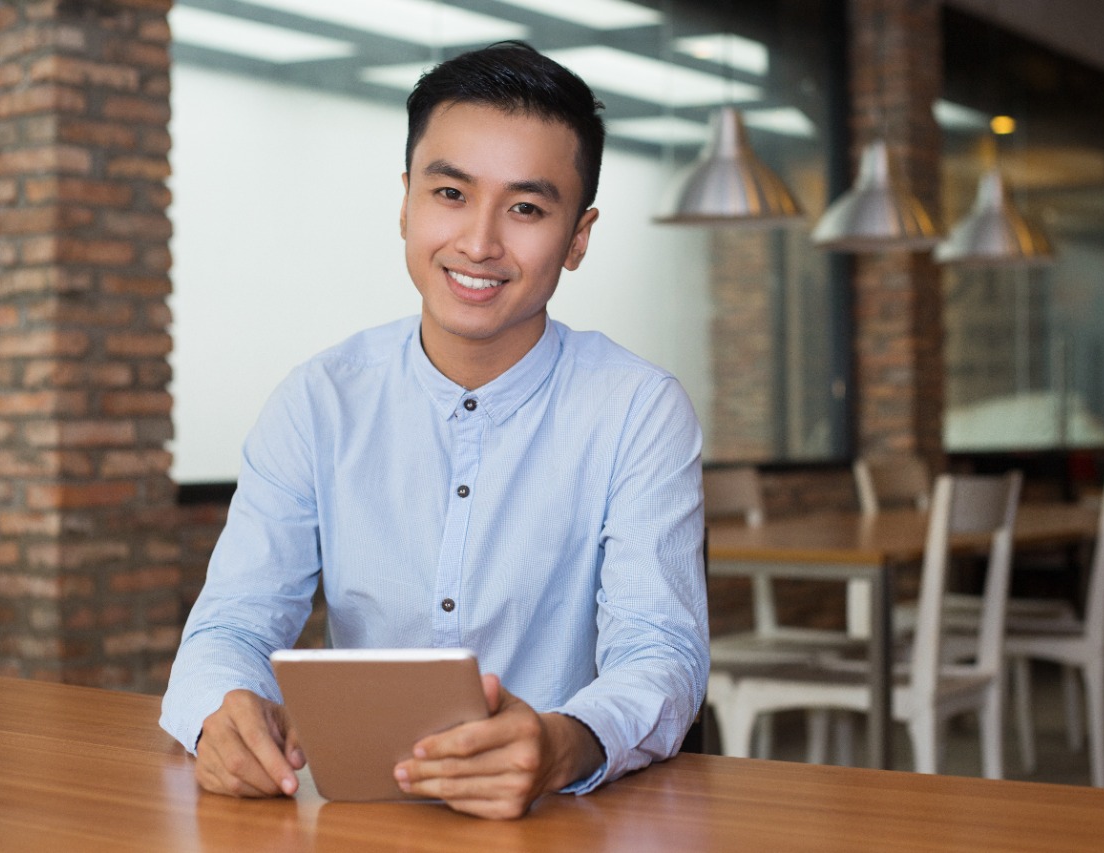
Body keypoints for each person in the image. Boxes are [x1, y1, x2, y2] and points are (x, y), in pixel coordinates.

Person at [159, 41, 708, 820]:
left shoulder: (638, 410)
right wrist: (223, 709)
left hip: (561, 823)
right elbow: (229, 625)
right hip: (358, 818)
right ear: (407, 200)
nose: (479, 242)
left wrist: (564, 741)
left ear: (578, 238)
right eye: (450, 192)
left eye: (526, 208)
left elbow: (662, 652)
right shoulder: (319, 400)